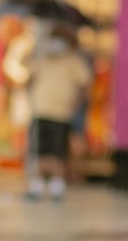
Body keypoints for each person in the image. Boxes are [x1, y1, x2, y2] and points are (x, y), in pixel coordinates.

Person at [26, 25, 91, 201]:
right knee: (39, 152)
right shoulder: (41, 60)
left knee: (58, 153)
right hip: (40, 112)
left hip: (61, 114)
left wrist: (76, 104)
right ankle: (37, 187)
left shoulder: (73, 62)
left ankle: (57, 187)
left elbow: (85, 85)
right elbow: (28, 80)